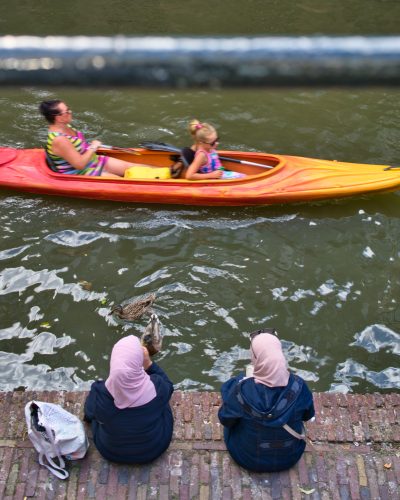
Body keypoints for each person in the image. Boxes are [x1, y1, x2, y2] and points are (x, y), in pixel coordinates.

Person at [218, 328, 315, 473]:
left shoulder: (241, 390)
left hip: (247, 458)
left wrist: (240, 383)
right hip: (290, 457)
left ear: (256, 358)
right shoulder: (299, 387)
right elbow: (307, 415)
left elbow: (225, 420)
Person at [84, 335, 174, 464]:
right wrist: (148, 364)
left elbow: (89, 413)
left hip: (111, 452)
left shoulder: (99, 392)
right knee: (163, 401)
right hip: (154, 448)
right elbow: (169, 386)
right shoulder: (157, 386)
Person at [39, 100, 134, 177]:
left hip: (93, 161)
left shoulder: (66, 126)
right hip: (80, 173)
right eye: (67, 112)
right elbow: (79, 165)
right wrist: (93, 147)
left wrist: (91, 147)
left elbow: (79, 147)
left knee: (133, 167)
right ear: (58, 118)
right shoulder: (60, 140)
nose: (70, 112)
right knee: (124, 181)